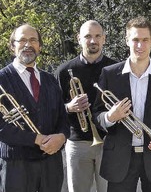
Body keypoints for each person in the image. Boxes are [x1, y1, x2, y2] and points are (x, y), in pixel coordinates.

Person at [92, 16, 151, 192]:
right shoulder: (109, 74)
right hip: (120, 159)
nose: (140, 46)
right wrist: (110, 116)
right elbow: (97, 114)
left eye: (145, 40)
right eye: (135, 40)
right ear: (127, 41)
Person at [0, 24, 70, 192]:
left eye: (33, 40)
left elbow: (62, 117)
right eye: (22, 40)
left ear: (40, 46)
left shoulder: (50, 80)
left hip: (50, 164)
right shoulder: (2, 79)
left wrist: (61, 137)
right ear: (12, 46)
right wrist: (36, 139)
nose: (27, 45)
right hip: (16, 165)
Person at [54, 20, 117, 192]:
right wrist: (69, 107)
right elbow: (54, 109)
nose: (92, 40)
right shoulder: (64, 71)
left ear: (104, 39)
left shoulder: (115, 68)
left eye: (97, 36)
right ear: (79, 39)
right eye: (87, 36)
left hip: (108, 142)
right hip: (77, 142)